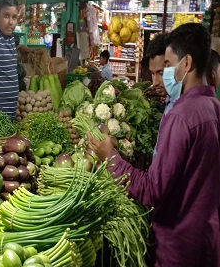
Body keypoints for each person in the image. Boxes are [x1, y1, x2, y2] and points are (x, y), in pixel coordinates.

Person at [88, 23, 220, 267]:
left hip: (178, 246)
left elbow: (152, 191)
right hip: (206, 238)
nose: (164, 75)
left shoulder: (181, 116)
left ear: (187, 64)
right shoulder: (213, 108)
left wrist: (110, 157)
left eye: (168, 65)